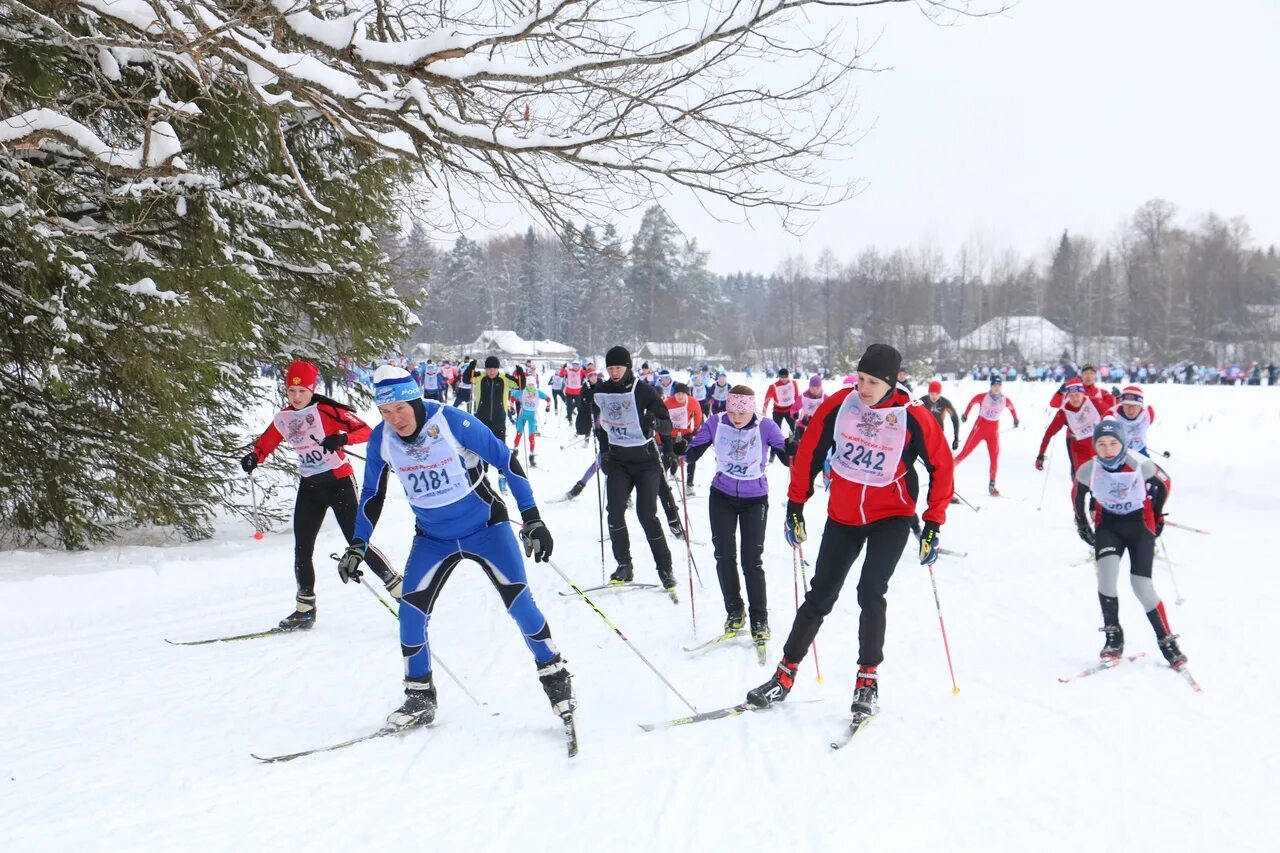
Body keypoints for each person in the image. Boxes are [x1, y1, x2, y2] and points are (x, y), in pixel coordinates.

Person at [339, 365, 572, 730]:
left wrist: (533, 518)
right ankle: (419, 698)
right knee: (411, 615)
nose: (394, 419)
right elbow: (371, 493)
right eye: (385, 412)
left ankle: (556, 680)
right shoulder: (381, 439)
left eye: (400, 408)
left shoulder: (452, 422)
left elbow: (507, 461)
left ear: (414, 400)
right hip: (433, 538)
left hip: (487, 529)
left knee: (520, 604)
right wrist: (357, 544)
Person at [746, 344, 954, 719]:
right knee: (820, 596)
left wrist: (933, 523)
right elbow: (810, 449)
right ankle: (784, 675)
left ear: (890, 383)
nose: (863, 388)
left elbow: (942, 466)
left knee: (870, 591)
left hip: (891, 516)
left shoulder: (914, 416)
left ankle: (867, 680)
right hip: (843, 515)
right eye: (859, 379)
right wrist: (796, 504)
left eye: (873, 382)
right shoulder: (842, 403)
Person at [241, 360, 402, 629]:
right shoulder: (284, 417)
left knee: (357, 542)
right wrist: (254, 457)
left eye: (302, 391)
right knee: (302, 548)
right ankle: (304, 609)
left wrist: (341, 439)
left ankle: (401, 593)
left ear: (311, 389)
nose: (296, 397)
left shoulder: (326, 410)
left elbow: (367, 431)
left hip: (339, 483)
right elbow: (267, 441)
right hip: (310, 487)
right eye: (291, 391)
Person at [1072, 420, 1184, 668]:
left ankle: (1167, 641)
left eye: (1113, 443)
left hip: (1139, 525)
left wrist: (1158, 515)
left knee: (1141, 585)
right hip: (1108, 526)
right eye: (1101, 444)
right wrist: (1081, 523)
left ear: (1122, 444)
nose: (1107, 449)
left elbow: (1164, 483)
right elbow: (1077, 494)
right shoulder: (1088, 469)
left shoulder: (1139, 464)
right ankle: (1114, 637)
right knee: (1106, 578)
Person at [686, 385, 789, 644]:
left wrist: (793, 447)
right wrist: (680, 448)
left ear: (751, 409)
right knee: (723, 554)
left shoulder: (766, 426)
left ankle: (759, 618)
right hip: (721, 495)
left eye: (741, 413)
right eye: (731, 411)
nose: (735, 417)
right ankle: (734, 611)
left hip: (755, 499)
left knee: (751, 560)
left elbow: (786, 456)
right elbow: (692, 452)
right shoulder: (716, 422)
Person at [576, 346, 679, 594]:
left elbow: (668, 426)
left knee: (646, 514)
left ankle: (665, 569)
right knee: (614, 512)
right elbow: (582, 429)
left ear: (628, 367)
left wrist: (653, 422)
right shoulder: (601, 390)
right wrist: (584, 402)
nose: (614, 373)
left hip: (646, 463)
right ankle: (624, 565)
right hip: (619, 462)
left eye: (618, 368)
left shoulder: (644, 391)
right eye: (610, 368)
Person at [1036, 377, 1107, 489]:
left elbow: (1114, 414)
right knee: (1081, 483)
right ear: (1067, 396)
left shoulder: (1094, 402)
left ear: (1083, 394)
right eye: (1071, 395)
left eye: (1077, 394)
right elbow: (1049, 433)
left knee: (1100, 482)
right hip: (1079, 449)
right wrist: (1041, 454)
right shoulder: (1064, 411)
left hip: (1099, 446)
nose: (1075, 398)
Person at [955, 376, 1020, 496]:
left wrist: (1016, 419)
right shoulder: (983, 396)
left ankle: (992, 485)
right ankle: (947, 470)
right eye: (994, 385)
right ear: (991, 386)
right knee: (965, 452)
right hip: (979, 427)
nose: (996, 388)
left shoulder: (1005, 400)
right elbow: (972, 402)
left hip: (993, 431)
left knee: (994, 458)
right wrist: (965, 414)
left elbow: (1012, 409)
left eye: (998, 386)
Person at [474, 356, 521, 491]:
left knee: (500, 448)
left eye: (494, 368)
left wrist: (520, 373)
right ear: (486, 369)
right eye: (489, 369)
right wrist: (471, 366)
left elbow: (519, 384)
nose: (491, 371)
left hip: (499, 419)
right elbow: (466, 379)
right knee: (482, 447)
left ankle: (502, 476)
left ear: (498, 369)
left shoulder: (504, 378)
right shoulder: (480, 377)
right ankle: (483, 475)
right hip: (482, 418)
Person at [666, 381, 705, 494]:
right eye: (677, 393)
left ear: (687, 394)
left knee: (691, 457)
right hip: (671, 433)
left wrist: (696, 429)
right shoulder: (668, 402)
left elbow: (698, 415)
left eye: (683, 394)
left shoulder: (692, 402)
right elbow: (661, 418)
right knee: (670, 457)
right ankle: (669, 476)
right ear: (674, 394)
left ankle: (689, 484)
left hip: (686, 432)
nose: (680, 396)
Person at [509, 371, 552, 467]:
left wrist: (548, 407)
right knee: (519, 433)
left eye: (532, 385)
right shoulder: (522, 391)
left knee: (531, 437)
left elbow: (548, 399)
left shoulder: (537, 392)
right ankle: (515, 450)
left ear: (535, 385)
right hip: (522, 414)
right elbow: (511, 398)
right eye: (529, 385)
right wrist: (512, 408)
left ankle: (532, 456)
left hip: (532, 416)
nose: (530, 387)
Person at [1106, 385, 1155, 456]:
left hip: (1140, 448)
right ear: (1122, 405)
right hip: (1118, 452)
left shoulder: (1149, 414)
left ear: (1141, 406)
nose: (1131, 411)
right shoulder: (1112, 415)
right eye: (1127, 406)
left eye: (1135, 406)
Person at [919, 380, 961, 451]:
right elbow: (912, 417)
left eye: (937, 393)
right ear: (928, 392)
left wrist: (956, 438)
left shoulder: (945, 402)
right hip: (924, 433)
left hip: (938, 433)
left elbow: (955, 419)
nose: (934, 396)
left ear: (940, 393)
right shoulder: (922, 401)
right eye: (932, 393)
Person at [763, 368, 801, 435]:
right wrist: (764, 412)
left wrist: (796, 410)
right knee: (776, 431)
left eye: (785, 377)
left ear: (788, 376)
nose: (783, 379)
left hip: (790, 411)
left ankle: (795, 443)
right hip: (778, 412)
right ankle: (777, 444)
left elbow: (797, 397)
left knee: (795, 429)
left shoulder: (793, 383)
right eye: (781, 377)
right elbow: (767, 400)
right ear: (779, 376)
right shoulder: (773, 386)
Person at [795, 375, 827, 442]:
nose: (815, 390)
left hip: (818, 426)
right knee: (800, 445)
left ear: (821, 387)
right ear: (809, 387)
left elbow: (830, 411)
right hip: (803, 424)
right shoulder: (804, 396)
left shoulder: (825, 397)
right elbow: (794, 408)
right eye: (812, 388)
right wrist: (795, 414)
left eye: (817, 388)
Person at [562, 360, 587, 424]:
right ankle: (569, 419)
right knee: (569, 406)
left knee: (578, 405)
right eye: (574, 365)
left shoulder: (581, 371)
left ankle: (572, 412)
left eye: (577, 365)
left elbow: (588, 375)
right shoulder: (568, 370)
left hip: (578, 391)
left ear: (579, 365)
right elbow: (561, 374)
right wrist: (563, 368)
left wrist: (585, 369)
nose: (575, 366)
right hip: (569, 391)